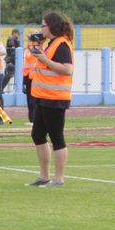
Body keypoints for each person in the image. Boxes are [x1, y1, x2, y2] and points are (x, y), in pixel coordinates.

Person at [26, 12, 75, 187]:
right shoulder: (50, 44)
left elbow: (67, 70)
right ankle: (44, 176)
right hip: (43, 96)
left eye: (43, 25)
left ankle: (59, 178)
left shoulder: (61, 44)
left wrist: (44, 59)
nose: (41, 29)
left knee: (56, 137)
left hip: (55, 98)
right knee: (37, 134)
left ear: (51, 26)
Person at [22, 32, 44, 125]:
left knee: (34, 100)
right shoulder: (27, 50)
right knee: (29, 99)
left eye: (31, 39)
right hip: (27, 76)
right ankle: (31, 119)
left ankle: (35, 119)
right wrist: (24, 79)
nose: (29, 41)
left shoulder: (38, 49)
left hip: (35, 77)